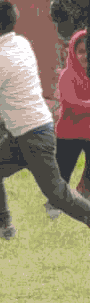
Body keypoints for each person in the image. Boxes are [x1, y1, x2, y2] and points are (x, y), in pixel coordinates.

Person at [0, 0, 90, 237]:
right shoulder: (21, 44)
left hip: (32, 135)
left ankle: (1, 225)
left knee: (57, 193)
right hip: (30, 131)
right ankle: (1, 225)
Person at [54, 29, 90, 200]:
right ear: (73, 53)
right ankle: (55, 202)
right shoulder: (67, 75)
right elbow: (71, 103)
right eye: (81, 51)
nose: (85, 56)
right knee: (63, 172)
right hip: (69, 133)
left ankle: (84, 194)